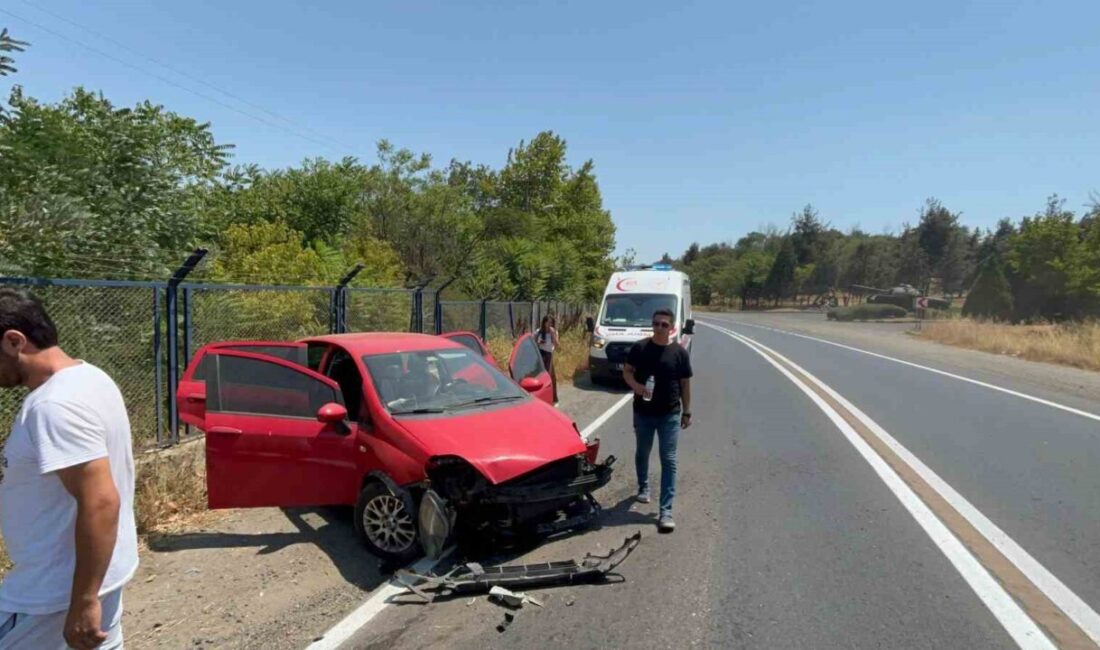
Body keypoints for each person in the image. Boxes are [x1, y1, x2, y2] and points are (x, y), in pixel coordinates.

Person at [0, 289, 137, 650]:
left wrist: (84, 601)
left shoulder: (53, 405)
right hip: (94, 578)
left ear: (14, 341)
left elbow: (101, 502)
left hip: (50, 596)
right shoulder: (91, 377)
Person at [622, 308, 693, 533]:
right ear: (651, 325)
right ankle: (644, 486)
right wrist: (637, 387)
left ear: (671, 327)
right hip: (643, 413)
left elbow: (685, 384)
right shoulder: (640, 348)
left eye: (664, 324)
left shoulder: (679, 353)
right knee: (643, 452)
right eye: (656, 323)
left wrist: (687, 411)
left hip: (670, 414)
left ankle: (666, 511)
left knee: (669, 459)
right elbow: (627, 372)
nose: (659, 327)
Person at [537, 314, 560, 405]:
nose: (549, 324)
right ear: (544, 322)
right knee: (539, 377)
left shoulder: (554, 332)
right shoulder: (538, 331)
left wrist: (552, 334)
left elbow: (557, 345)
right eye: (547, 322)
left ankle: (553, 398)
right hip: (540, 354)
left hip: (549, 354)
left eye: (551, 322)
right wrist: (539, 342)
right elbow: (534, 341)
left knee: (550, 377)